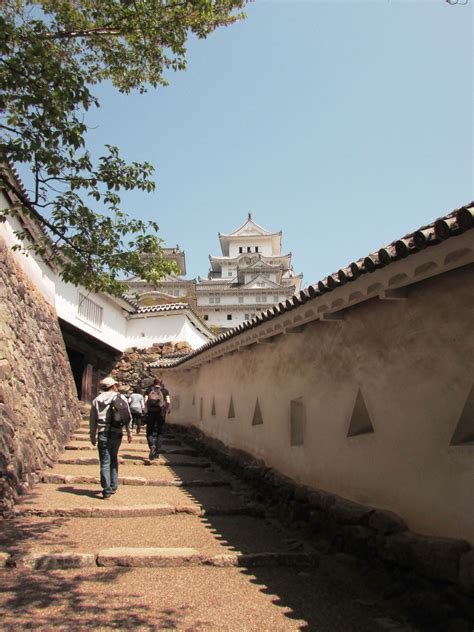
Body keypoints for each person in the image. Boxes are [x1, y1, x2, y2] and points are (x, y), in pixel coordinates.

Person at [89, 376, 132, 499]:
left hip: (103, 432)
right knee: (114, 457)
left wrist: (92, 435)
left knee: (105, 460)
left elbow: (93, 420)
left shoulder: (97, 400)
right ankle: (113, 485)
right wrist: (130, 432)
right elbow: (127, 416)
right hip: (117, 432)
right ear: (113, 386)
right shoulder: (120, 397)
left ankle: (106, 489)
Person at [145, 378, 165, 460]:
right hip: (160, 413)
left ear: (153, 383)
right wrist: (166, 409)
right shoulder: (164, 390)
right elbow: (168, 401)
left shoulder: (149, 390)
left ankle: (152, 445)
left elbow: (145, 400)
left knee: (149, 431)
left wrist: (145, 409)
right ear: (160, 383)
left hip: (150, 412)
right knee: (159, 432)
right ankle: (157, 453)